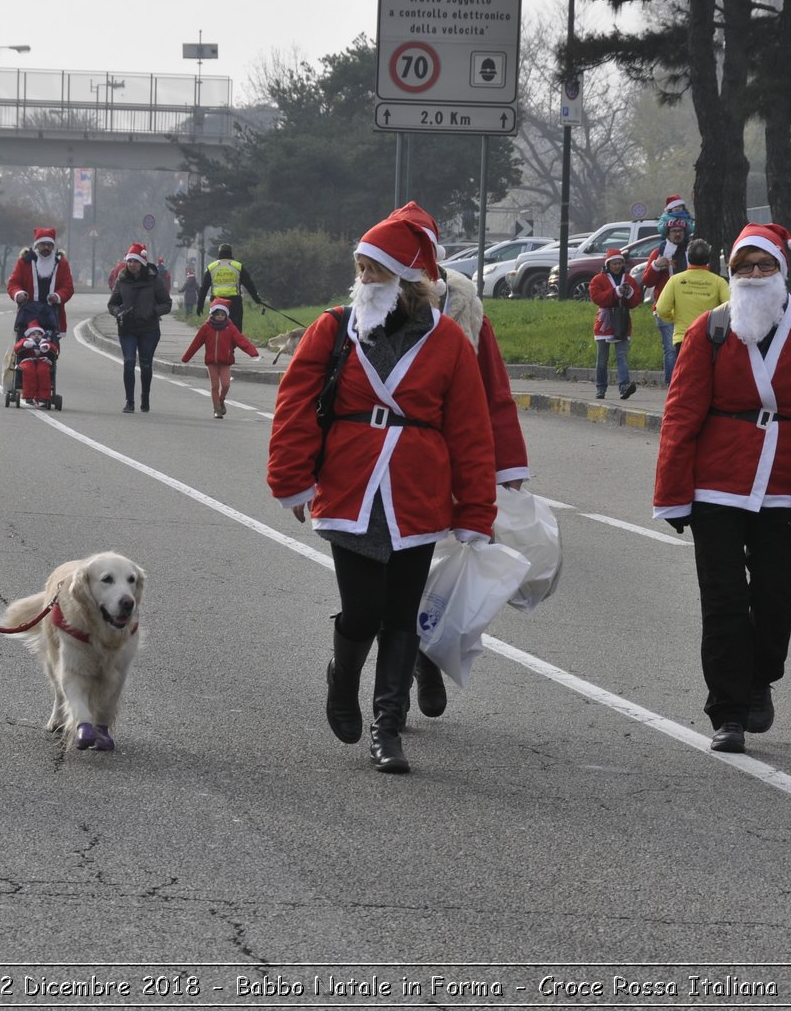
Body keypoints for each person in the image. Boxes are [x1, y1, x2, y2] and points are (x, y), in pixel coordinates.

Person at [267, 210, 496, 774]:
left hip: (418, 491)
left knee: (401, 614)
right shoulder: (334, 326)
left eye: (375, 271)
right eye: (361, 269)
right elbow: (296, 403)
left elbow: (470, 428)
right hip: (351, 485)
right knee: (363, 609)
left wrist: (475, 508)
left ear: (405, 278)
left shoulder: (447, 341)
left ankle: (387, 727)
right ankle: (342, 677)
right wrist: (292, 477)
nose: (364, 280)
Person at [652, 222, 791, 754]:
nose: (755, 275)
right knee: (722, 602)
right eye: (744, 267)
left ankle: (761, 674)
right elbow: (681, 413)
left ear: (782, 271)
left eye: (765, 266)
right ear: (731, 272)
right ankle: (728, 712)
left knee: (777, 597)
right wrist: (673, 490)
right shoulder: (710, 330)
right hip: (717, 487)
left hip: (784, 487)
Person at [389, 202, 531, 725]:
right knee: (393, 579)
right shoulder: (372, 304)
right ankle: (396, 681)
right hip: (391, 470)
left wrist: (508, 467)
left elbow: (496, 394)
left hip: (453, 469)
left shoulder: (467, 310)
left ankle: (422, 664)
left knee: (437, 578)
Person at [107, 242, 172, 413]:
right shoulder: (122, 280)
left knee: (146, 365)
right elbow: (112, 304)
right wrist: (118, 312)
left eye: (135, 262)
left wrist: (154, 311)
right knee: (129, 363)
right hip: (127, 328)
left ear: (142, 263)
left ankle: (145, 395)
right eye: (129, 261)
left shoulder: (154, 280)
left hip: (148, 329)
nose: (132, 265)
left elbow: (167, 303)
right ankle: (130, 401)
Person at [181, 301, 259, 417]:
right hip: (211, 362)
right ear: (212, 314)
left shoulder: (230, 328)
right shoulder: (206, 328)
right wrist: (186, 357)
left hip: (225, 361)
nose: (220, 317)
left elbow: (241, 340)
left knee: (226, 385)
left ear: (226, 315)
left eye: (222, 315)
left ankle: (221, 399)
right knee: (215, 386)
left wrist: (253, 352)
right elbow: (196, 343)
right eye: (217, 314)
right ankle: (217, 409)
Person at [656, 237, 730, 352]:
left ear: (689, 258)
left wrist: (674, 317)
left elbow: (661, 310)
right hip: (710, 338)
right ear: (708, 259)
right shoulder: (719, 282)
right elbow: (730, 309)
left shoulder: (675, 280)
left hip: (683, 338)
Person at [588, 247, 642, 400]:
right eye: (614, 264)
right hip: (604, 322)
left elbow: (635, 301)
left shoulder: (629, 280)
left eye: (619, 263)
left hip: (622, 321)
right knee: (602, 358)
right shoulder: (598, 280)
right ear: (608, 265)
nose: (617, 266)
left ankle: (624, 386)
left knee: (622, 356)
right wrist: (616, 292)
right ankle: (601, 387)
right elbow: (597, 298)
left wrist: (629, 293)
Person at [643, 218, 691, 386]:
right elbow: (647, 281)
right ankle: (672, 385)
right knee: (670, 349)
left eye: (680, 231)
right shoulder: (659, 253)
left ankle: (685, 381)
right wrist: (656, 266)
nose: (677, 234)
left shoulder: (690, 251)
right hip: (665, 308)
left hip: (689, 307)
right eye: (674, 231)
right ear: (667, 234)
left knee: (688, 347)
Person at [7, 227, 75, 333]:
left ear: (53, 246)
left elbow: (68, 287)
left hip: (52, 316)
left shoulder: (62, 263)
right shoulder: (24, 261)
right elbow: (13, 283)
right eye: (43, 244)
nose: (46, 247)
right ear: (36, 245)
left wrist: (57, 296)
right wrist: (18, 294)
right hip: (28, 315)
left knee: (49, 348)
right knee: (25, 347)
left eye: (49, 245)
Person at [198, 242, 264, 332]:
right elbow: (249, 285)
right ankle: (231, 344)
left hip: (217, 302)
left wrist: (200, 304)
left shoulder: (211, 267)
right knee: (236, 330)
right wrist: (256, 299)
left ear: (219, 253)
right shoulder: (238, 266)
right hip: (234, 302)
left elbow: (204, 288)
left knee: (215, 327)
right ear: (231, 253)